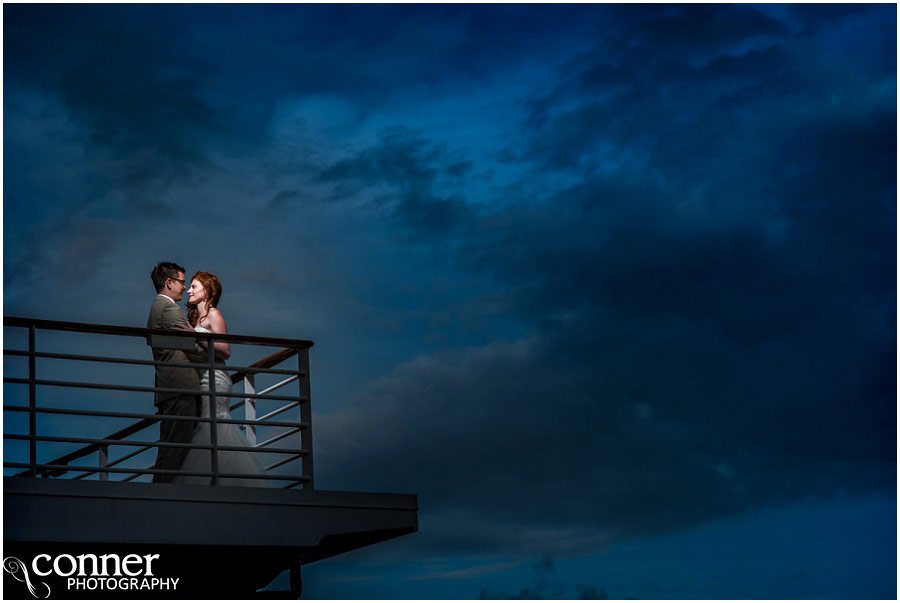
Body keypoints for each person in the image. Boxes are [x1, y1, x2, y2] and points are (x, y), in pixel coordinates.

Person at [172, 271, 269, 487]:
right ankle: (215, 479)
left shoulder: (214, 315)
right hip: (201, 376)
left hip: (215, 377)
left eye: (194, 286)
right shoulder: (196, 319)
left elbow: (225, 350)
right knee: (207, 424)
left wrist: (195, 335)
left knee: (214, 425)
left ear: (208, 291)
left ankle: (224, 480)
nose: (189, 290)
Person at [146, 261, 201, 483]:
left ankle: (160, 492)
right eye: (181, 282)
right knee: (177, 446)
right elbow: (195, 348)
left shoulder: (156, 308)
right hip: (180, 386)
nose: (184, 288)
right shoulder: (168, 308)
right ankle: (164, 495)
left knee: (169, 447)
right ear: (169, 282)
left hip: (170, 387)